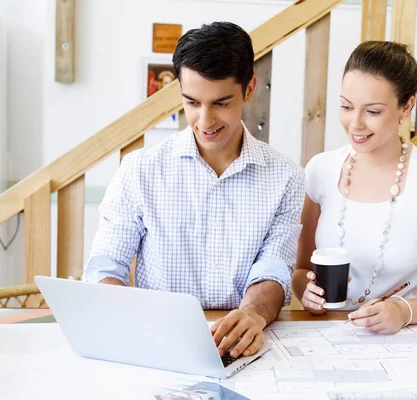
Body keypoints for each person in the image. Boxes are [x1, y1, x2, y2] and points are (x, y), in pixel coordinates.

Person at [83, 22, 305, 358]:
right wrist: (124, 315)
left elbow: (273, 270)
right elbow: (105, 267)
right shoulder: (139, 170)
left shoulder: (285, 176)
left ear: (248, 90)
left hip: (241, 346)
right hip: (155, 340)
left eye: (221, 103)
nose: (204, 120)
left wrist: (253, 315)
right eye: (192, 102)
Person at [292, 41, 417, 334]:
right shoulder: (321, 169)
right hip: (323, 335)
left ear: (406, 106)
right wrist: (307, 292)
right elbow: (302, 269)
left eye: (373, 111)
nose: (355, 124)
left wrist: (403, 311)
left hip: (404, 337)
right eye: (346, 106)